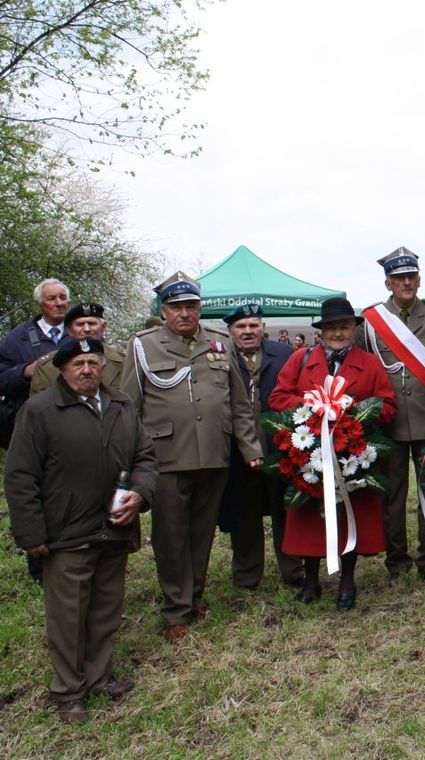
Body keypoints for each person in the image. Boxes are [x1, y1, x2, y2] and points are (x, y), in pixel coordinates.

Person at [5, 336, 158, 723]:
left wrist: (140, 494)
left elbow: (145, 457)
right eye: (78, 363)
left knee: (106, 608)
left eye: (93, 362)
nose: (87, 369)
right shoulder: (39, 411)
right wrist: (31, 534)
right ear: (62, 369)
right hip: (65, 533)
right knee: (68, 616)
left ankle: (99, 677)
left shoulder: (122, 406)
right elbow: (21, 476)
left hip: (114, 527)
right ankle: (68, 691)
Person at [121, 272, 263, 643]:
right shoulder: (142, 346)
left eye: (191, 306)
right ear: (164, 310)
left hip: (214, 454)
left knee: (201, 534)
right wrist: (130, 463)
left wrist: (249, 448)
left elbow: (238, 401)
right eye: (176, 307)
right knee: (170, 538)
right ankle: (175, 608)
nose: (185, 313)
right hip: (166, 458)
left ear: (199, 307)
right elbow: (128, 408)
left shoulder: (218, 342)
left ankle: (194, 595)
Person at [269, 297, 398, 611]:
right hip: (310, 454)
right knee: (310, 519)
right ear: (322, 330)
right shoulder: (301, 359)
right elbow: (278, 397)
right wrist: (312, 408)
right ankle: (311, 580)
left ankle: (347, 580)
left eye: (343, 327)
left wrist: (354, 414)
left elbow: (388, 405)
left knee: (350, 516)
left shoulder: (369, 364)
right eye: (331, 328)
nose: (337, 333)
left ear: (353, 328)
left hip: (351, 455)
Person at [361, 247, 425, 585]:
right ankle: (396, 563)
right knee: (391, 497)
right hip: (389, 424)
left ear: (419, 278)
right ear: (388, 283)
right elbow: (365, 369)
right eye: (399, 278)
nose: (406, 282)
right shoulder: (371, 321)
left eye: (411, 276)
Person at [217, 304, 303, 590]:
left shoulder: (284, 355)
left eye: (253, 325)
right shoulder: (219, 356)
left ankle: (293, 570)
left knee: (285, 509)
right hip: (237, 449)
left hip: (279, 447)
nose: (248, 331)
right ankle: (247, 575)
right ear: (231, 331)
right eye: (241, 327)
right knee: (244, 513)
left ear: (263, 328)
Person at [0, 278, 70, 583]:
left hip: (74, 427)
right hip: (34, 427)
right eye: (52, 299)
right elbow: (1, 377)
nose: (58, 303)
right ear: (39, 304)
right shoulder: (18, 338)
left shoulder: (79, 332)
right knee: (39, 491)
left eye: (63, 298)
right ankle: (40, 567)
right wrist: (23, 372)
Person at [30, 303, 126, 395]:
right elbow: (38, 408)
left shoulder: (124, 361)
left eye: (92, 323)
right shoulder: (47, 366)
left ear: (103, 327)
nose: (87, 329)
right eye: (80, 324)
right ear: (69, 330)